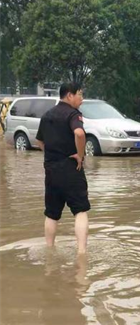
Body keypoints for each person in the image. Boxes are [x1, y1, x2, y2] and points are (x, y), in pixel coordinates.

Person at [35, 82, 90, 254]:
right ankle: (82, 253)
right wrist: (80, 155)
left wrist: (52, 154)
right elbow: (79, 133)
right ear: (69, 95)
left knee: (51, 214)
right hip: (71, 168)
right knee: (80, 211)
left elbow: (39, 141)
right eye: (80, 94)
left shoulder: (47, 115)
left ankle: (49, 250)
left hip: (51, 170)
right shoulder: (73, 114)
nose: (82, 99)